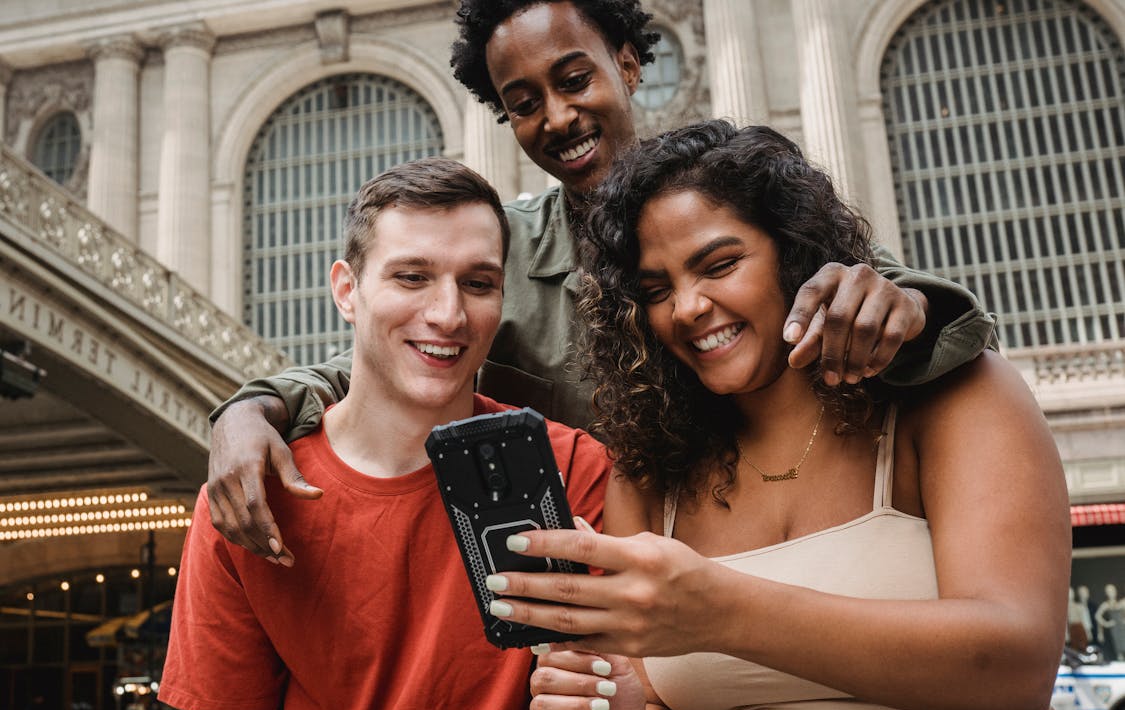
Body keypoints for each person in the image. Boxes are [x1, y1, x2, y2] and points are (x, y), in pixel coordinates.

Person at [205, 0, 997, 567]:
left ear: (625, 61)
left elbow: (905, 303)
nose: (556, 116)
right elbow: (384, 370)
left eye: (572, 78)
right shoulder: (498, 255)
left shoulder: (742, 201)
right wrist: (251, 408)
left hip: (780, 557)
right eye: (522, 104)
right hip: (602, 591)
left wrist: (899, 308)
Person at [482, 121, 1074, 710]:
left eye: (720, 265)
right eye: (657, 291)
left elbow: (1019, 667)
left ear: (795, 253)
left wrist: (720, 611)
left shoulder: (951, 393)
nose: (687, 308)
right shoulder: (652, 467)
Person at [158, 158, 610, 710]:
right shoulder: (247, 501)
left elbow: (613, 707)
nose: (448, 315)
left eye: (478, 283)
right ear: (346, 290)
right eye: (412, 278)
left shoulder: (572, 468)